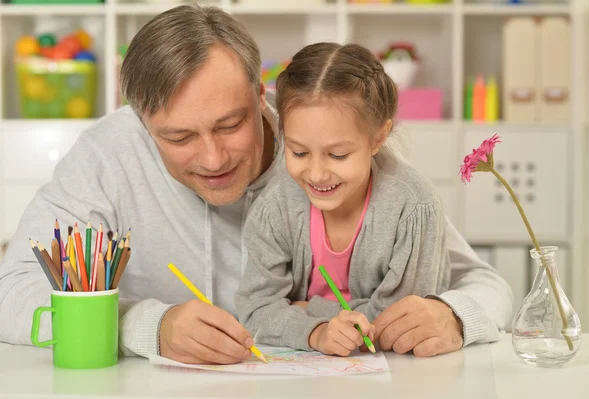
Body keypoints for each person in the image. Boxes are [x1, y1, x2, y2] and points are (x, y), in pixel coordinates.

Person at [0, 4, 512, 364]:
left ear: (259, 90)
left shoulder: (322, 151)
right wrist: (141, 327)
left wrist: (453, 316)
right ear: (142, 121)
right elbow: (12, 293)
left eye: (230, 124)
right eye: (178, 136)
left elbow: (485, 284)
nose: (213, 157)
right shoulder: (107, 155)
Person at [235, 42, 451, 356]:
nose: (317, 173)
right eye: (299, 152)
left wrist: (312, 310)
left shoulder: (413, 208)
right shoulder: (275, 206)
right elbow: (255, 311)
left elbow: (400, 323)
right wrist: (317, 334)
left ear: (378, 137)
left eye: (338, 155)